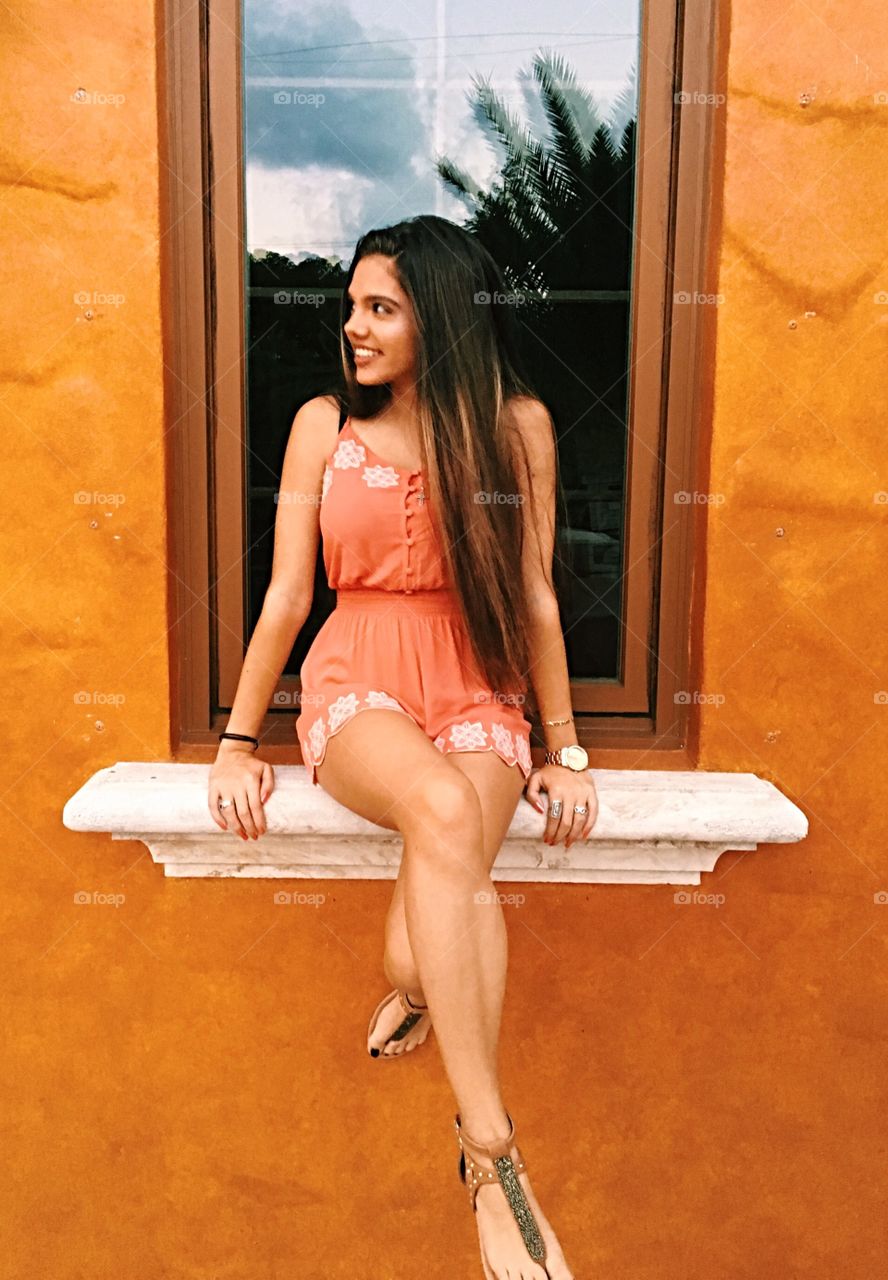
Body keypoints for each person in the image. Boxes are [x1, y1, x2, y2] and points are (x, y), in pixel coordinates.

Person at [208, 214, 598, 1280]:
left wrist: (563, 747)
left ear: (442, 316)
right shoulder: (322, 424)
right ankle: (492, 1155)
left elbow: (532, 594)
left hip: (479, 681)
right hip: (357, 680)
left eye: (380, 307)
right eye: (350, 307)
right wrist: (240, 738)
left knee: (423, 920)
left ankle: (418, 986)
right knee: (439, 814)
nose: (354, 329)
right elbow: (290, 592)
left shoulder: (517, 427)